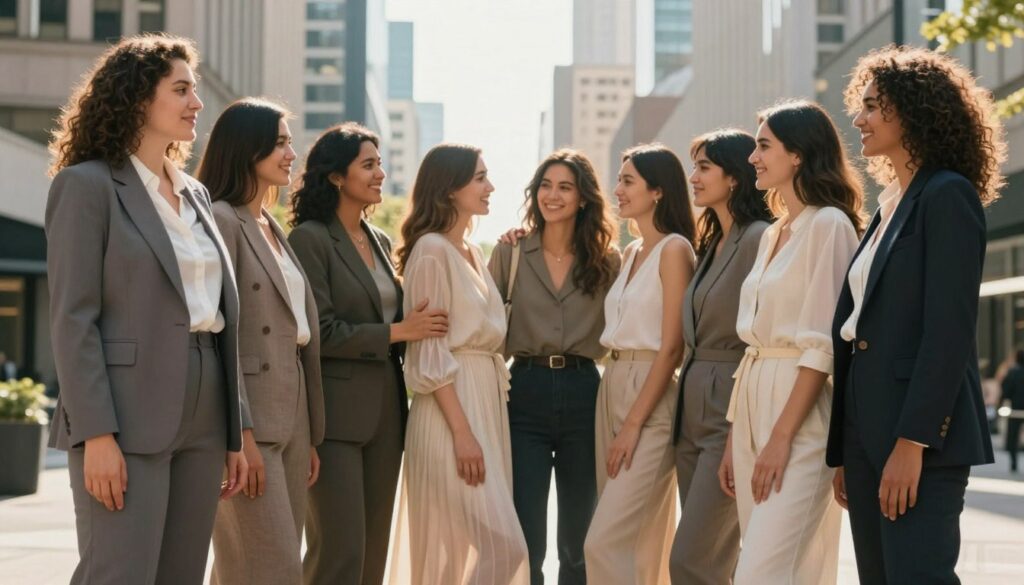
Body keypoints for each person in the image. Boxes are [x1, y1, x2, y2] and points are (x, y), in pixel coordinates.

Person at [45, 34, 247, 585]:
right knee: (121, 572)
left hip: (206, 404)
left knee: (182, 574)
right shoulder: (86, 187)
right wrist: (97, 436)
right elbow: (73, 320)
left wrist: (235, 430)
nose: (196, 104)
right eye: (181, 90)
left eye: (195, 90)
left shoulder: (197, 195)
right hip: (126, 412)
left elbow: (219, 314)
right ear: (138, 98)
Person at [829, 45, 1001, 584]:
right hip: (865, 427)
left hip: (916, 434)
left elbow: (948, 332)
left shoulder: (946, 196)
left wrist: (913, 442)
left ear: (915, 110)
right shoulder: (890, 203)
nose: (859, 118)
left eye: (874, 105)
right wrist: (845, 447)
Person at [288, 123, 448, 585]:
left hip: (387, 413)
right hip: (335, 418)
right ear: (337, 176)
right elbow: (321, 331)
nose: (381, 173)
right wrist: (400, 330)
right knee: (340, 550)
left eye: (380, 163)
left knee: (373, 551)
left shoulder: (378, 240)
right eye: (369, 164)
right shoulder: (311, 239)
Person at [722, 100, 863, 585]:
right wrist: (734, 436)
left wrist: (782, 436)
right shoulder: (775, 232)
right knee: (780, 569)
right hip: (753, 401)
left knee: (761, 572)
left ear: (798, 154)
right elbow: (752, 341)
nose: (753, 158)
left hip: (798, 410)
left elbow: (824, 346)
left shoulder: (830, 225)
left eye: (764, 146)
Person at [197, 97, 326, 585]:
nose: (291, 153)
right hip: (249, 419)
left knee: (255, 565)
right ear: (245, 148)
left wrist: (308, 432)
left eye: (290, 142)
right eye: (279, 143)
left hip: (291, 416)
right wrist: (240, 432)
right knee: (270, 568)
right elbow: (220, 333)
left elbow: (298, 330)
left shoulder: (273, 226)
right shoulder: (223, 219)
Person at [390, 143, 529, 585]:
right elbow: (429, 353)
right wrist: (463, 434)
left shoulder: (470, 250)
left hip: (485, 401)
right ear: (450, 189)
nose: (491, 187)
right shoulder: (431, 250)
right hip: (452, 411)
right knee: (504, 546)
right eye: (480, 178)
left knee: (460, 554)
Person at [488, 148, 620, 585]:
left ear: (583, 198)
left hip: (586, 391)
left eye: (565, 187)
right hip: (524, 390)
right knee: (526, 532)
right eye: (545, 185)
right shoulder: (509, 253)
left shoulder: (607, 261)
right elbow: (489, 332)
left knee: (580, 536)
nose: (552, 195)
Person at [584, 143, 695, 585]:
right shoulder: (630, 254)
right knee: (637, 539)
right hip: (611, 384)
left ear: (658, 191)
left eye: (628, 180)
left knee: (603, 540)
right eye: (619, 179)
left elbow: (671, 348)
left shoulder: (674, 249)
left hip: (649, 392)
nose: (618, 189)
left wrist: (632, 424)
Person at [668, 129, 772, 584]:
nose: (693, 177)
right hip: (690, 408)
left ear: (734, 177)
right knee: (712, 561)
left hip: (727, 407)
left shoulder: (759, 239)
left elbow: (758, 335)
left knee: (692, 559)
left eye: (704, 166)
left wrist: (736, 433)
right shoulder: (710, 243)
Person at [1001, 350, 1024, 473]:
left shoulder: (1013, 373)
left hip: (1015, 410)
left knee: (1013, 437)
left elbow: (1006, 390)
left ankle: (1014, 462)